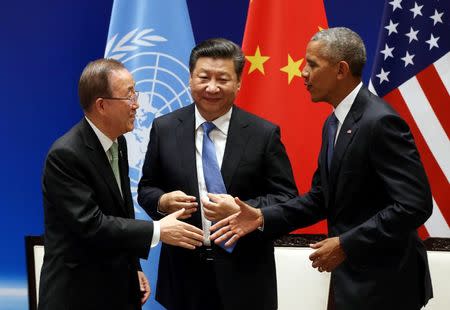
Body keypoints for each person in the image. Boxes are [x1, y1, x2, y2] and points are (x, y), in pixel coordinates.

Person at [209, 28, 433, 310]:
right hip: (352, 282)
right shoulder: (334, 122)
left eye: (312, 64)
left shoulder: (380, 122)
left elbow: (415, 205)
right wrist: (262, 217)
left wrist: (346, 244)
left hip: (388, 283)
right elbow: (321, 197)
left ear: (341, 70)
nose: (303, 72)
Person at [137, 38, 298, 310]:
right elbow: (147, 188)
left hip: (246, 274)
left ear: (238, 84)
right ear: (190, 80)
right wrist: (162, 202)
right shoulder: (164, 129)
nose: (212, 87)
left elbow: (287, 198)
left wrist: (241, 210)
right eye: (203, 77)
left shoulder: (263, 134)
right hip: (184, 275)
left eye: (222, 79)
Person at [38, 59, 204, 310]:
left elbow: (120, 210)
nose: (136, 104)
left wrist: (133, 267)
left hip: (118, 287)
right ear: (102, 105)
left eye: (135, 93)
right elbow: (91, 224)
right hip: (78, 294)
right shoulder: (66, 155)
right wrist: (157, 231)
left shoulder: (118, 142)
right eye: (128, 96)